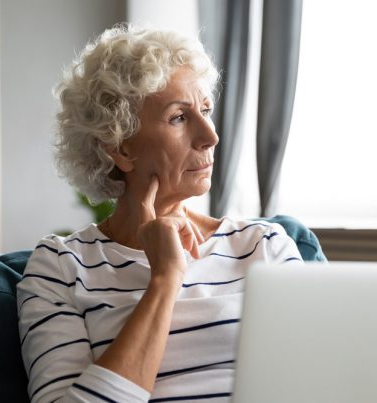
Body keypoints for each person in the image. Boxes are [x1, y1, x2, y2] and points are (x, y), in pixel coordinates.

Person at [17, 25, 303, 403]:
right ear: (120, 148)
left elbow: (323, 377)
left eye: (205, 110)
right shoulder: (61, 268)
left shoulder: (264, 248)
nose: (211, 136)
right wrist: (165, 279)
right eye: (179, 118)